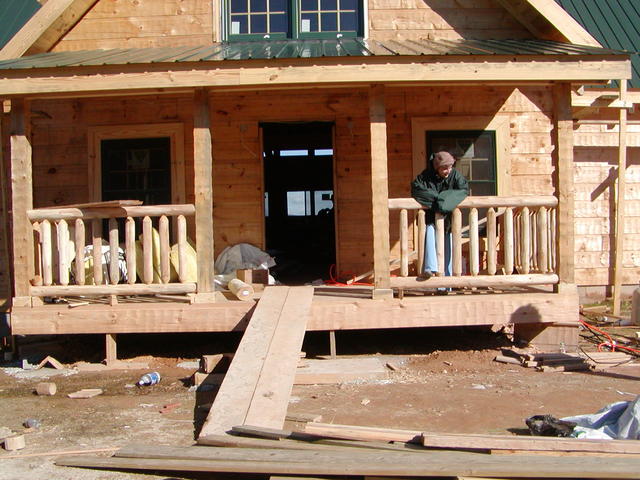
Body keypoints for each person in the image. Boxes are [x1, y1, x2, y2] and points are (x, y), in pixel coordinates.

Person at [411, 151, 469, 279]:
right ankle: (430, 269)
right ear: (437, 167)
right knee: (430, 238)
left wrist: (443, 201)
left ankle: (445, 285)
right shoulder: (426, 176)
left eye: (450, 167)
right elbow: (416, 189)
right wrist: (437, 201)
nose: (448, 170)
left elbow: (463, 190)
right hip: (430, 219)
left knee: (447, 250)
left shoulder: (455, 175)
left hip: (448, 220)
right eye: (444, 168)